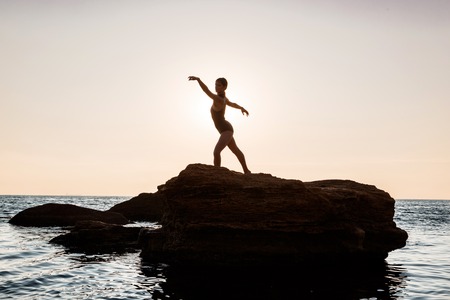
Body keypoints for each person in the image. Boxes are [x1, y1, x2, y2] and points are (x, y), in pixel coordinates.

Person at [188, 76, 251, 174]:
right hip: (225, 129)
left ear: (224, 87)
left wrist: (198, 80)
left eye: (219, 85)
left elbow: (206, 91)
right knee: (236, 150)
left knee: (216, 152)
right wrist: (241, 108)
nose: (216, 87)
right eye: (215, 85)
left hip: (226, 130)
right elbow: (232, 104)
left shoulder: (219, 99)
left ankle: (217, 173)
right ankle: (246, 171)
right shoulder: (224, 99)